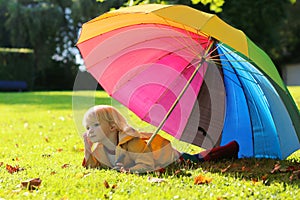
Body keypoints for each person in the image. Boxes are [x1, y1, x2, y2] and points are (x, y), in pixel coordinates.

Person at [82, 105, 239, 173]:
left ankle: (230, 149)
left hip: (169, 157)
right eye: (88, 128)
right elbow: (94, 166)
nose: (90, 131)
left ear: (112, 127)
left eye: (95, 125)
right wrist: (87, 149)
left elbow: (147, 164)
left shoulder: (131, 141)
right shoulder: (101, 147)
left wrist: (129, 170)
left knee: (198, 159)